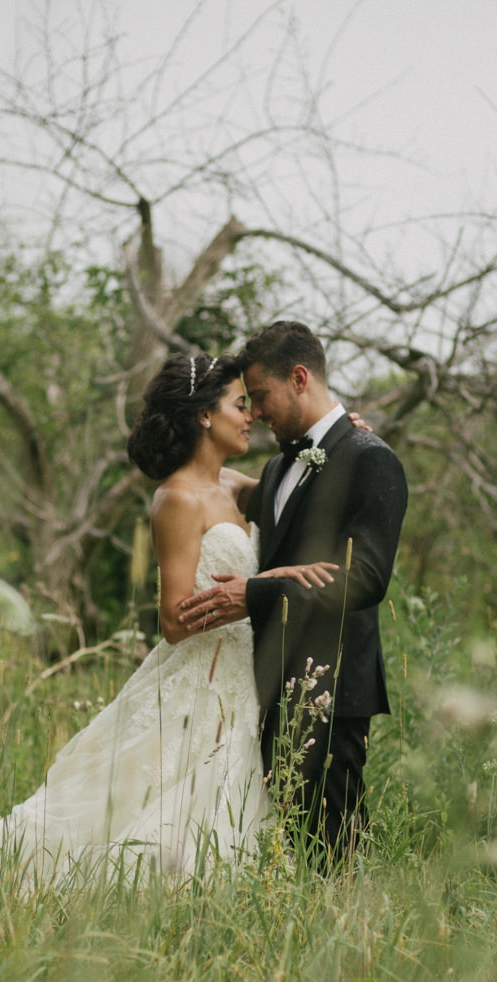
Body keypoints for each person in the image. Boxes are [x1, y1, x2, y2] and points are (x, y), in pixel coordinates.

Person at [0, 352, 339, 886]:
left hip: (244, 678)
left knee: (229, 807)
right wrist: (268, 586)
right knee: (162, 806)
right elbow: (173, 621)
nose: (250, 417)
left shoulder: (235, 486)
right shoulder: (175, 499)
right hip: (198, 677)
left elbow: (298, 479)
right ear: (204, 415)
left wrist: (337, 438)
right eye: (240, 405)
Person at [178, 321, 409, 870]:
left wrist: (255, 596)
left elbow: (366, 578)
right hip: (262, 687)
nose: (254, 413)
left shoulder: (371, 458)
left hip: (329, 688)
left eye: (259, 396)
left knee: (331, 856)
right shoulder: (279, 464)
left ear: (299, 378)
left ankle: (350, 953)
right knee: (270, 853)